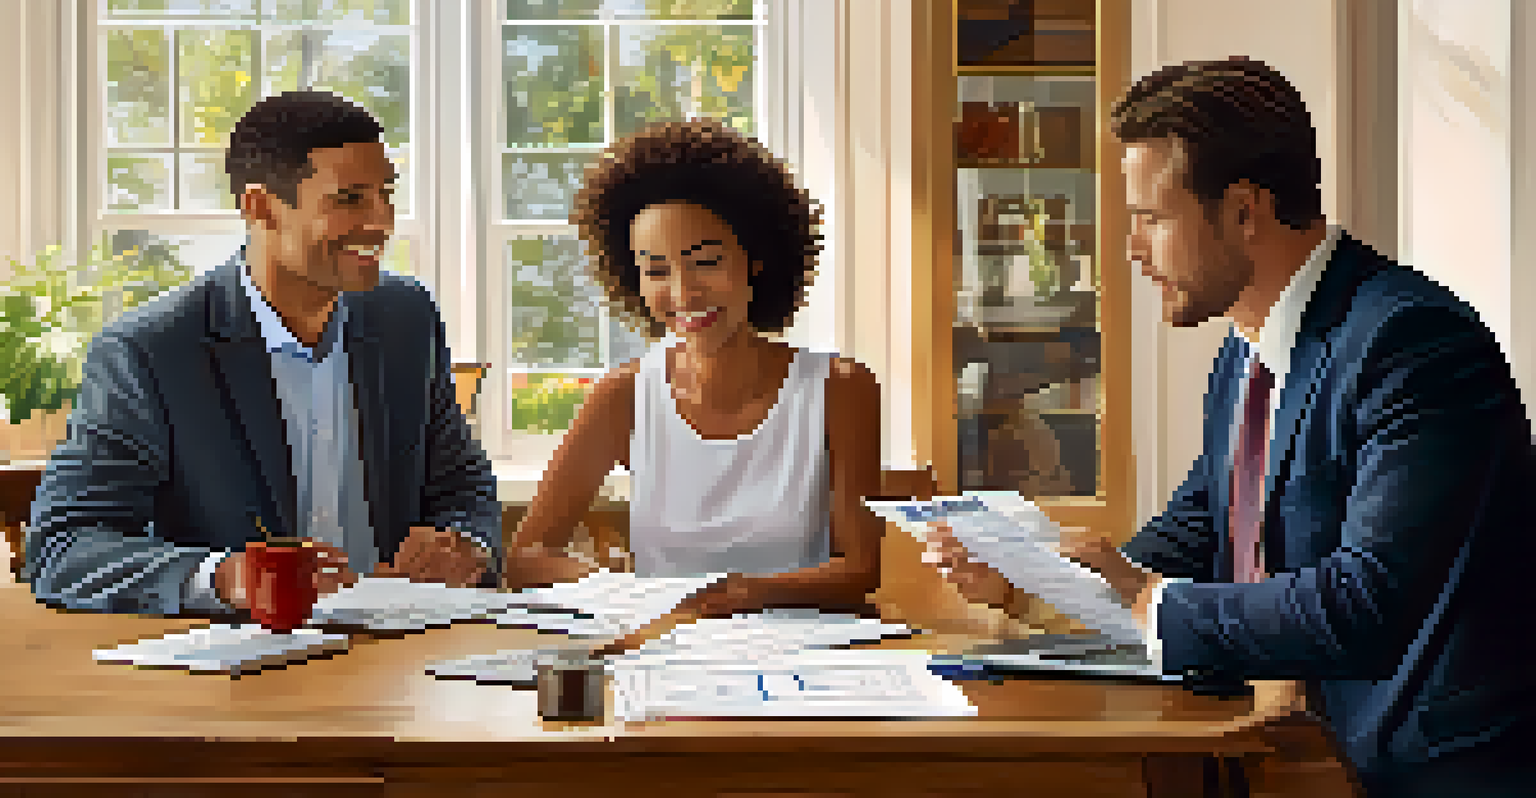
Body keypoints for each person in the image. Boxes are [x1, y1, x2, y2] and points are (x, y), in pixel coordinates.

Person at [928, 57, 1536, 796]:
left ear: (1244, 211)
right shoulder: (1247, 348)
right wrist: (1037, 582)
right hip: (1297, 748)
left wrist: (1146, 598)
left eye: (1150, 218)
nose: (1132, 250)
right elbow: (1204, 527)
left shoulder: (1410, 343)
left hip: (1425, 771)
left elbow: (1367, 600)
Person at [24, 90, 501, 618]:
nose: (381, 221)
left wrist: (463, 544)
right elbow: (64, 548)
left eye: (386, 194)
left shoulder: (405, 318)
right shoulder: (150, 353)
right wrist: (226, 577)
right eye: (350, 199)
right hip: (232, 678)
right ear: (260, 206)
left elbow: (462, 483)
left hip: (401, 663)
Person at [505, 118, 884, 622]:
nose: (682, 294)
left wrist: (744, 594)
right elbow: (527, 558)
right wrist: (615, 586)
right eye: (656, 270)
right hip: (665, 657)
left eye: (705, 262)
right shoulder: (624, 394)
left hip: (805, 662)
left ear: (755, 261)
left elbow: (860, 569)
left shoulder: (839, 388)